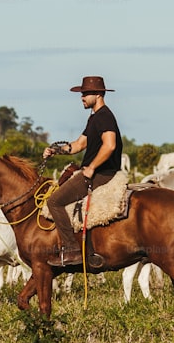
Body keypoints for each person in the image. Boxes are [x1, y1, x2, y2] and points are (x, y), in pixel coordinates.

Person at [43, 75, 124, 267]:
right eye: (82, 94)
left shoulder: (104, 116)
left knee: (54, 201)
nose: (82, 97)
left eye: (85, 94)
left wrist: (92, 168)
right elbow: (79, 145)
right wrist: (56, 151)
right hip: (95, 172)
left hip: (102, 174)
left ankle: (71, 250)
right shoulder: (95, 117)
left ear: (98, 94)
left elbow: (110, 145)